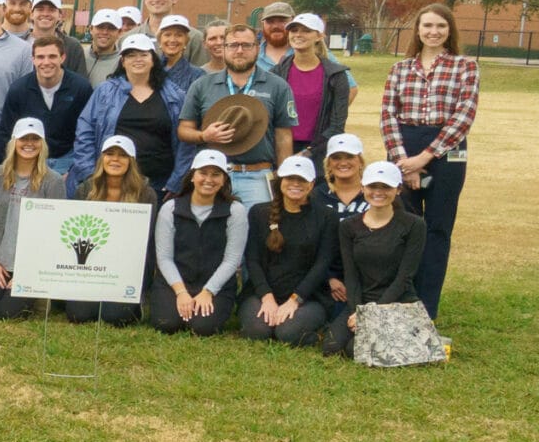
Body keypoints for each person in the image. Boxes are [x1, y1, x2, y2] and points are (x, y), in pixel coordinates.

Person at [378, 2, 477, 317]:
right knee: (405, 227)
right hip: (405, 145)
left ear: (449, 31)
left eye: (440, 26)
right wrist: (402, 160)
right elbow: (387, 116)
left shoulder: (465, 67)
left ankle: (426, 307)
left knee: (437, 229)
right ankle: (402, 300)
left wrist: (425, 157)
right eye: (427, 26)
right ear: (418, 31)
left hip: (447, 149)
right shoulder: (400, 69)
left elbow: (464, 115)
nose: (434, 32)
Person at [177, 25, 296, 207]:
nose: (239, 51)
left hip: (257, 176)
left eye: (246, 45)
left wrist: (283, 176)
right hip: (212, 176)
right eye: (233, 45)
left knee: (257, 232)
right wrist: (203, 136)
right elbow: (184, 130)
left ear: (257, 47)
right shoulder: (201, 85)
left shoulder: (277, 86)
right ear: (223, 49)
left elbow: (283, 136)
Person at [323, 162, 431, 358]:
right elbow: (351, 274)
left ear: (398, 189)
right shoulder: (348, 226)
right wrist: (358, 310)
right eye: (373, 186)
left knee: (354, 349)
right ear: (363, 187)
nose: (378, 192)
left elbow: (405, 277)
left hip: (397, 300)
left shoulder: (414, 225)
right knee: (331, 346)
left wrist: (372, 315)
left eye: (386, 187)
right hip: (361, 299)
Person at [69, 32, 186, 193]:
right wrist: (89, 174)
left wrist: (176, 182)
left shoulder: (174, 95)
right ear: (123, 61)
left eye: (143, 55)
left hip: (159, 184)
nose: (137, 59)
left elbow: (185, 141)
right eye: (131, 55)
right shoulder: (104, 92)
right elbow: (85, 132)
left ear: (153, 60)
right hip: (110, 184)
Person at [0, 118, 65, 319]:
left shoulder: (54, 181)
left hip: (32, 265)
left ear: (43, 144)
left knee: (8, 313)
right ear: (14, 141)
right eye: (24, 138)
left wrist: (29, 272)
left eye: (35, 139)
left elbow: (55, 232)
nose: (29, 144)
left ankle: (40, 294)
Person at [240, 155, 335, 347]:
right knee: (258, 331)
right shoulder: (259, 213)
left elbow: (322, 264)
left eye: (302, 180)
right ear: (280, 180)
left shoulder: (327, 216)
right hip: (263, 291)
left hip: (308, 296)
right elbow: (253, 259)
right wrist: (266, 297)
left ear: (312, 184)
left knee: (287, 333)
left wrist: (295, 300)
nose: (295, 184)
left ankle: (314, 328)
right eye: (290, 178)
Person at [151, 150, 247, 336]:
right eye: (203, 173)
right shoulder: (170, 208)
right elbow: (164, 258)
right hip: (175, 282)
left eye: (216, 174)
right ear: (192, 176)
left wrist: (208, 291)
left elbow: (232, 259)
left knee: (202, 327)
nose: (208, 180)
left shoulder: (236, 211)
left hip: (215, 285)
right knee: (167, 323)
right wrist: (181, 292)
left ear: (224, 180)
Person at [61, 134, 154, 327]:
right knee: (79, 314)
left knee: (116, 317)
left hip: (125, 268)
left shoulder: (145, 193)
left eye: (122, 155)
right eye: (109, 154)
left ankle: (133, 302)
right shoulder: (86, 189)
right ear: (102, 158)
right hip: (90, 267)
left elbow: (146, 240)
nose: (115, 159)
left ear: (131, 161)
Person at [0, 37, 91, 174]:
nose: (46, 62)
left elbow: (86, 132)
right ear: (33, 60)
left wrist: (76, 170)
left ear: (62, 58)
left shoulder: (80, 87)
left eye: (52, 56)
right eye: (40, 57)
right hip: (29, 159)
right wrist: (10, 167)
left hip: (68, 159)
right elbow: (6, 133)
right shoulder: (19, 89)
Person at [277, 13, 353, 160]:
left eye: (306, 31)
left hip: (318, 153)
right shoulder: (277, 72)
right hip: (280, 152)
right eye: (294, 30)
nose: (298, 35)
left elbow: (337, 125)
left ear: (319, 36)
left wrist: (307, 153)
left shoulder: (336, 75)